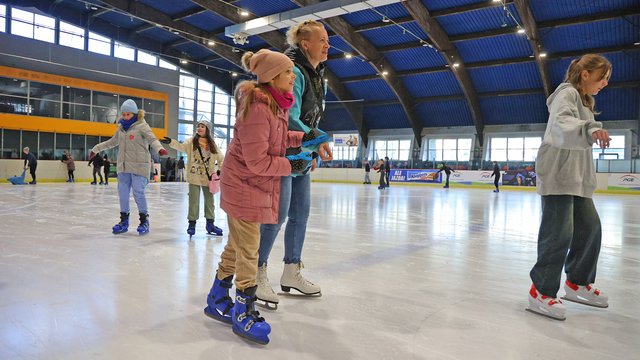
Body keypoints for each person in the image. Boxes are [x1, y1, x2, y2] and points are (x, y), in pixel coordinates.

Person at [202, 49, 315, 344]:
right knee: (249, 251)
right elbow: (257, 162)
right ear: (273, 77)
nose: (294, 76)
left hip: (249, 185)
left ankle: (217, 296)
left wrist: (305, 136)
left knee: (236, 246)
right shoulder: (258, 108)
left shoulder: (276, 106)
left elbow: (276, 139)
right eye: (289, 72)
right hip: (244, 186)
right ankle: (243, 310)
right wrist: (294, 164)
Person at [527, 54, 612, 321]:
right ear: (585, 74)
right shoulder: (565, 94)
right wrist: (590, 128)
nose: (605, 84)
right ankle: (540, 291)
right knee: (558, 234)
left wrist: (588, 127)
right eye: (602, 78)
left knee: (590, 228)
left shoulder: (586, 101)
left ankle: (577, 283)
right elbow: (562, 123)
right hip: (559, 172)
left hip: (577, 176)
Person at [256, 20, 333, 308]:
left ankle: (291, 270)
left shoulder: (315, 73)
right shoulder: (294, 71)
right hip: (283, 153)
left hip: (301, 152)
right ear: (305, 44)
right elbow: (289, 116)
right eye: (322, 40)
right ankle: (257, 270)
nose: (328, 45)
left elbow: (311, 116)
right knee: (276, 216)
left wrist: (311, 149)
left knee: (300, 214)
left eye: (328, 40)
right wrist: (315, 140)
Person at [90, 99, 168, 235]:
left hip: (139, 165)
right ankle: (124, 222)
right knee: (123, 194)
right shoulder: (120, 128)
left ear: (135, 114)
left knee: (138, 192)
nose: (126, 117)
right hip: (124, 166)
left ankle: (144, 221)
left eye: (128, 114)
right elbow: (112, 142)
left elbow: (152, 139)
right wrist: (96, 149)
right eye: (124, 114)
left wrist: (159, 149)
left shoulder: (142, 125)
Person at [161, 120, 225, 236]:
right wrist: (171, 142)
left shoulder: (212, 145)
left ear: (208, 130)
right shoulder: (191, 142)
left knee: (210, 203)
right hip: (194, 177)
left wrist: (220, 170)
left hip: (208, 178)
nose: (199, 128)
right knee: (193, 202)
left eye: (202, 127)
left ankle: (210, 224)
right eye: (198, 126)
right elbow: (181, 146)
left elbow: (221, 157)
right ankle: (192, 224)